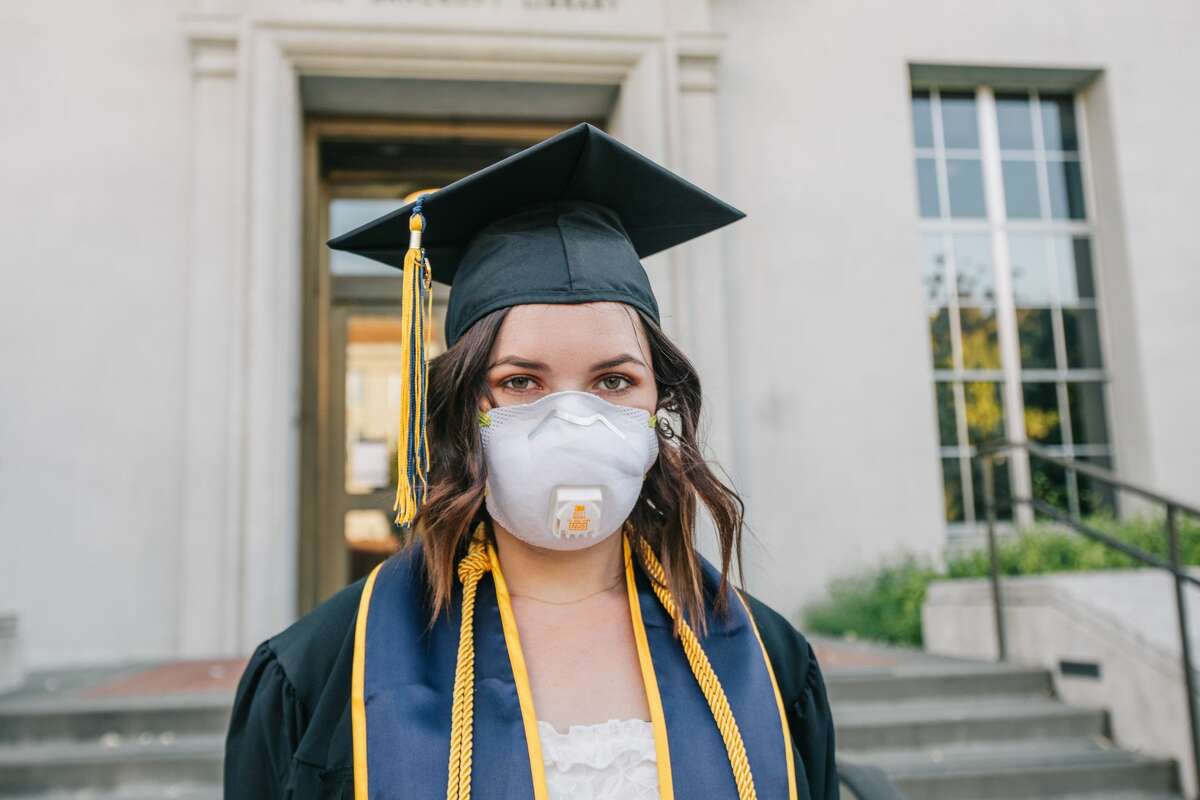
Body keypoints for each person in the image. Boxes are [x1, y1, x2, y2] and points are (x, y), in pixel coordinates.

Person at [224, 122, 838, 799]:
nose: (572, 420)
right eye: (521, 381)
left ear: (660, 402)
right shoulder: (321, 671)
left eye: (613, 381)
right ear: (466, 409)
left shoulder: (766, 657)